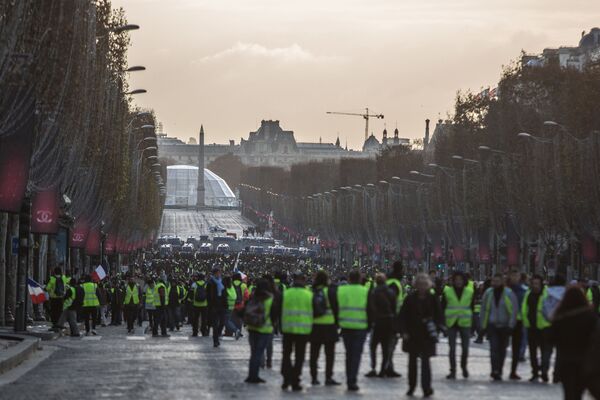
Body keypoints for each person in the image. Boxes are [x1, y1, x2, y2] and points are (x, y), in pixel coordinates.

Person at [551, 286, 598, 400]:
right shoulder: (590, 317)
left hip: (565, 362)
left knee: (569, 394)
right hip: (584, 362)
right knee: (578, 393)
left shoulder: (560, 318)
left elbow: (550, 339)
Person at [399, 273, 442, 397]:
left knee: (426, 363)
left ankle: (426, 387)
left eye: (424, 284)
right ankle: (411, 386)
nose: (422, 286)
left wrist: (437, 329)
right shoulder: (410, 298)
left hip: (427, 335)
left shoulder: (432, 298)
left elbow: (439, 315)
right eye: (420, 284)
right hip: (412, 335)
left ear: (428, 285)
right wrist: (404, 331)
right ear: (416, 285)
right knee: (412, 363)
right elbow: (403, 316)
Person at [481, 273, 518, 381]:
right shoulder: (488, 293)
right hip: (492, 325)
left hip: (505, 326)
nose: (495, 283)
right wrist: (483, 325)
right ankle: (494, 370)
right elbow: (483, 309)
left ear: (502, 281)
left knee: (502, 350)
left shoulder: (509, 293)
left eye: (497, 281)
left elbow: (514, 311)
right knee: (493, 349)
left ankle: (499, 369)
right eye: (493, 281)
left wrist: (511, 325)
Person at [280, 271, 313, 392]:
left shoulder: (286, 293)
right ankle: (295, 380)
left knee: (286, 355)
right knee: (300, 357)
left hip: (288, 329)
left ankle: (285, 379)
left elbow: (278, 310)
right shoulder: (309, 295)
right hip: (303, 330)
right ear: (304, 280)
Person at [337, 269, 370, 392]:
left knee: (348, 354)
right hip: (361, 328)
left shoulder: (341, 290)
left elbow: (337, 306)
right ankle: (352, 379)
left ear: (349, 279)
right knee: (356, 355)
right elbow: (370, 309)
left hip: (345, 327)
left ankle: (349, 378)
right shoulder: (365, 291)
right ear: (360, 279)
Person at [309, 270, 340, 386]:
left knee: (314, 354)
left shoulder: (312, 291)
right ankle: (328, 377)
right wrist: (337, 324)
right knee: (330, 355)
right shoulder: (331, 291)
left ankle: (314, 378)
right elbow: (336, 308)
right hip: (329, 326)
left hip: (315, 326)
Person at [442, 271, 474, 379]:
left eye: (460, 279)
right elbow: (443, 307)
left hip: (465, 323)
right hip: (452, 322)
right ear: (453, 281)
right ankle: (453, 370)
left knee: (465, 348)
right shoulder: (447, 292)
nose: (458, 281)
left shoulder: (469, 292)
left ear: (464, 281)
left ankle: (464, 367)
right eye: (456, 279)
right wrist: (443, 324)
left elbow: (472, 307)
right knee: (452, 349)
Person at [245, 278, 278, 384]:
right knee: (258, 353)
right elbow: (274, 315)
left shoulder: (253, 298)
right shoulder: (270, 299)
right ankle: (254, 376)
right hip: (264, 329)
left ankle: (251, 375)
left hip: (252, 328)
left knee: (253, 353)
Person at [521, 274, 552, 382]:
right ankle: (535, 372)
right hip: (532, 328)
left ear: (541, 284)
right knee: (532, 352)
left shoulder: (547, 294)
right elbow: (524, 309)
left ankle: (544, 371)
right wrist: (526, 323)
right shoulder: (528, 294)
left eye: (537, 283)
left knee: (545, 352)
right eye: (533, 283)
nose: (535, 286)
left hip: (545, 328)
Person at [365, 272, 396, 378]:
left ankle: (373, 367)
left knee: (373, 346)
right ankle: (383, 369)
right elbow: (394, 308)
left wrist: (370, 322)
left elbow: (370, 308)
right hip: (388, 321)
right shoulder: (391, 292)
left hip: (377, 322)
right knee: (385, 347)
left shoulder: (373, 292)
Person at [384, 260, 405, 377]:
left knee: (390, 344)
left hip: (391, 317)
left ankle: (388, 366)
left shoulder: (391, 280)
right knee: (390, 344)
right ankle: (387, 367)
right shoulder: (394, 283)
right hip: (392, 318)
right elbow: (392, 301)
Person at [508, 269, 527, 380]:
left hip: (519, 321)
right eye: (513, 276)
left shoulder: (524, 290)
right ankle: (497, 369)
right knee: (499, 347)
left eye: (517, 276)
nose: (515, 278)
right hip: (504, 321)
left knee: (516, 347)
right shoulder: (505, 289)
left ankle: (513, 371)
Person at [207, 267, 227, 347]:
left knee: (222, 322)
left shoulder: (222, 282)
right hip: (214, 305)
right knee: (215, 324)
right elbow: (208, 295)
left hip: (221, 304)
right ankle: (215, 340)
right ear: (214, 274)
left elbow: (224, 293)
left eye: (220, 273)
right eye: (218, 273)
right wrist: (210, 305)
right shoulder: (210, 283)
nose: (219, 274)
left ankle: (217, 335)